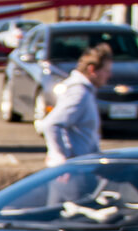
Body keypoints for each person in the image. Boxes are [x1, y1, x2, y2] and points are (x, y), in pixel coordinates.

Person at [36, 40, 109, 169]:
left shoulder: (86, 91)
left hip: (83, 167)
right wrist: (61, 159)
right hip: (74, 172)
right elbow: (51, 124)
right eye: (106, 71)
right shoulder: (79, 93)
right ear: (92, 69)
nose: (109, 75)